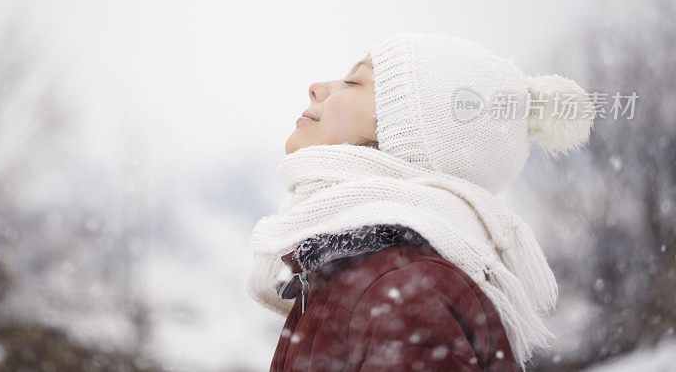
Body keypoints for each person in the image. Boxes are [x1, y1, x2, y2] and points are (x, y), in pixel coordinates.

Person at [246, 32, 595, 371]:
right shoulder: (361, 274)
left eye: (353, 83)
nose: (317, 87)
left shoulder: (404, 291)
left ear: (403, 143)